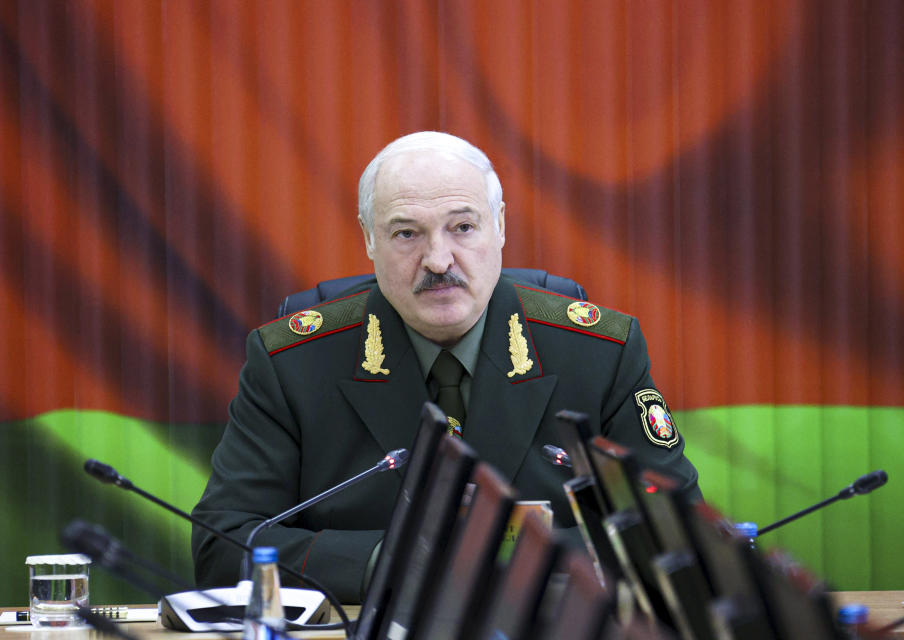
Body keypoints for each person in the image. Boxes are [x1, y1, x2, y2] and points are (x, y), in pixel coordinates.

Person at [191, 131, 701, 603]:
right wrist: (387, 565)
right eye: (406, 234)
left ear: (499, 225)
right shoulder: (292, 364)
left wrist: (506, 569)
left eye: (462, 227)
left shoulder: (600, 353)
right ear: (369, 240)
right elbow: (224, 543)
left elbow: (677, 530)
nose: (438, 259)